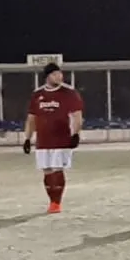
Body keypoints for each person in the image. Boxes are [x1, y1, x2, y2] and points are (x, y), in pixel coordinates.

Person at [22, 63, 83, 213]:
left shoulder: (69, 93)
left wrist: (75, 134)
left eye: (60, 73)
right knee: (47, 171)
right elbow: (31, 118)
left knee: (57, 169)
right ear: (47, 76)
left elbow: (77, 116)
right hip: (43, 140)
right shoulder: (37, 94)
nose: (59, 77)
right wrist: (27, 138)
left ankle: (57, 202)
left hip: (61, 139)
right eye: (55, 74)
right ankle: (51, 200)